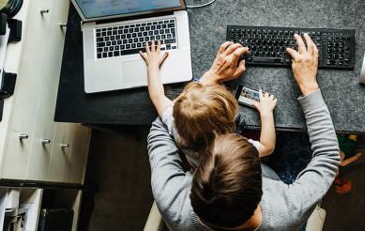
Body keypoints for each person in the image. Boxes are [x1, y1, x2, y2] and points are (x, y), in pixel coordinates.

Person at [147, 34, 341, 230]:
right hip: (278, 178)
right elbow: (328, 156)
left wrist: (207, 81)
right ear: (260, 190)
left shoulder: (170, 201)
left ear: (196, 181)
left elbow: (160, 129)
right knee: (297, 141)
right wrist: (309, 85)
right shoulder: (288, 210)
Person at [140, 41, 278, 165]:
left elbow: (157, 96)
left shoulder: (175, 123)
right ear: (229, 123)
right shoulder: (231, 149)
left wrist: (152, 65)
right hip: (225, 164)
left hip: (197, 163)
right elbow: (267, 147)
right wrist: (266, 113)